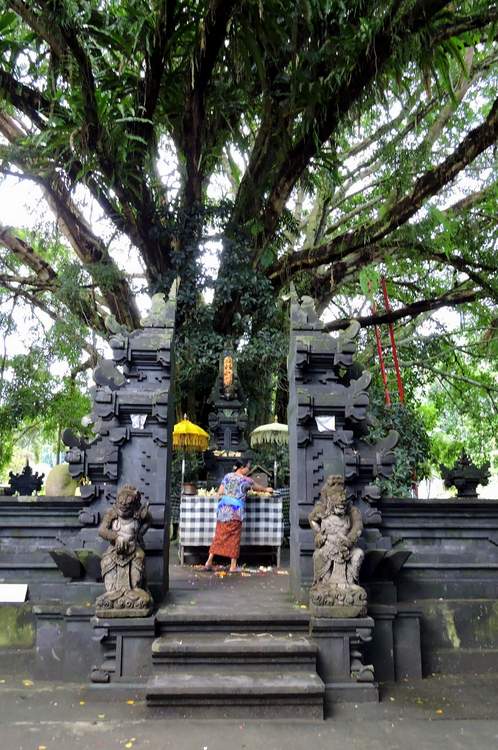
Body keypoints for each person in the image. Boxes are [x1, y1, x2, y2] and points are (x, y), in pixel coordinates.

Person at [204, 458, 271, 573]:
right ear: (242, 468)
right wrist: (266, 489)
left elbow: (220, 492)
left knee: (219, 535)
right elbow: (258, 487)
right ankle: (233, 566)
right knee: (234, 537)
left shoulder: (227, 476)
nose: (249, 469)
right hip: (235, 511)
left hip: (223, 509)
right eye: (248, 467)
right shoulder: (246, 480)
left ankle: (209, 562)